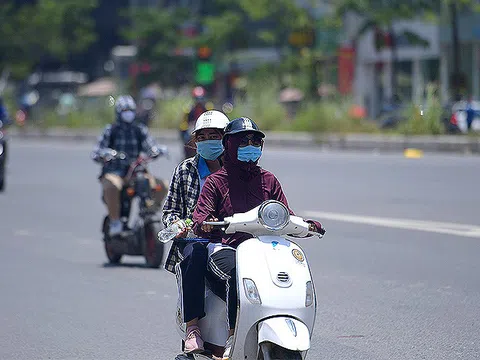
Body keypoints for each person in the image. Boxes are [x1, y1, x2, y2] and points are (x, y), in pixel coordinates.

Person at [192, 117, 325, 360]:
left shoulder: (268, 180)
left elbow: (284, 214)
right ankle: (233, 334)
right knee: (237, 273)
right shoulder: (215, 182)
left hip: (265, 249)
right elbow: (200, 217)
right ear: (229, 145)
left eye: (255, 141)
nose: (250, 145)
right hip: (226, 248)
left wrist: (307, 226)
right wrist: (207, 224)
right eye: (244, 141)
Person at [162, 109, 230, 354]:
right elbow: (169, 211)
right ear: (195, 141)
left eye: (215, 135)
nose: (209, 140)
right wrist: (178, 225)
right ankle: (193, 328)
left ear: (227, 139)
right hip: (195, 239)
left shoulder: (240, 171)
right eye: (203, 136)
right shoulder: (184, 171)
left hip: (231, 239)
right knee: (195, 255)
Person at [91, 95, 167, 237]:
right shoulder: (111, 130)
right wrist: (107, 153)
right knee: (112, 186)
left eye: (130, 110)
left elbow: (151, 145)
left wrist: (157, 150)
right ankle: (115, 221)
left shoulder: (139, 129)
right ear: (119, 112)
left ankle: (150, 212)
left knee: (162, 185)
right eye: (125, 110)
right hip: (115, 172)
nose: (128, 113)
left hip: (136, 172)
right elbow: (96, 152)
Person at [179, 86, 208, 159]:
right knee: (186, 138)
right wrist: (186, 128)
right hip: (192, 128)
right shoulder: (189, 110)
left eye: (200, 98)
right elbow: (184, 123)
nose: (199, 101)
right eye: (197, 99)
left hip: (204, 128)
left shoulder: (207, 108)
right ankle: (187, 155)